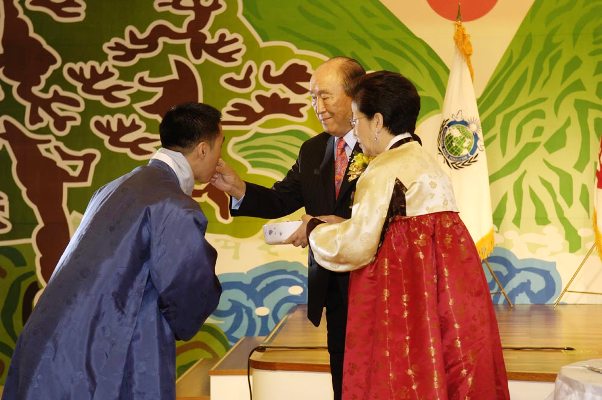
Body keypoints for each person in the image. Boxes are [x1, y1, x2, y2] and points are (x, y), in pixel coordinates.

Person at [306, 71, 510, 399]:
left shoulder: (383, 170)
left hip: (405, 298)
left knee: (402, 376)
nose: (355, 130)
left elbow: (357, 245)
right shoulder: (427, 162)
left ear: (377, 121)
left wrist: (314, 230)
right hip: (442, 296)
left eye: (356, 120)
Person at [2, 102, 224, 400]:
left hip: (50, 344)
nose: (221, 158)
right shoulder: (173, 206)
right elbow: (189, 290)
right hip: (99, 353)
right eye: (220, 146)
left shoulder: (113, 188)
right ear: (203, 149)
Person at [211, 56, 365, 399]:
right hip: (332, 287)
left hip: (375, 285)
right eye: (313, 98)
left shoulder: (381, 145)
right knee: (344, 380)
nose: (318, 107)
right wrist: (238, 188)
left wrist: (334, 225)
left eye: (325, 96)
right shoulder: (312, 150)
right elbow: (281, 200)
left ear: (355, 96)